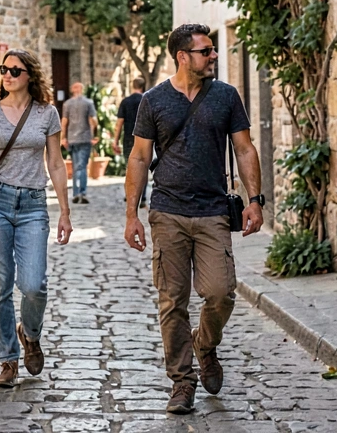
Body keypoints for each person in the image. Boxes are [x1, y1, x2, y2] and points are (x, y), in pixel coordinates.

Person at [123, 23, 265, 415]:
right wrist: (131, 214)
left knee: (221, 292)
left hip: (213, 210)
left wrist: (255, 199)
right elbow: (138, 156)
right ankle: (182, 382)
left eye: (213, 50)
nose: (214, 56)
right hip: (167, 211)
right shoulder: (153, 100)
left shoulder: (226, 96)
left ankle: (205, 344)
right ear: (182, 56)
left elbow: (244, 148)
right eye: (206, 51)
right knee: (173, 302)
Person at [0, 49, 73, 387]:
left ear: (30, 75)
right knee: (0, 288)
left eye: (15, 70)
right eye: (4, 69)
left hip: (33, 205)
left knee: (34, 285)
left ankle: (29, 333)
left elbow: (56, 163)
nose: (8, 75)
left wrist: (65, 212)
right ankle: (8, 360)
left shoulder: (47, 114)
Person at [59, 82, 98, 204]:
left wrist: (63, 138)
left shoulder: (67, 104)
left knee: (76, 166)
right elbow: (93, 121)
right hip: (85, 138)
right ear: (82, 89)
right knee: (82, 166)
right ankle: (82, 192)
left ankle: (76, 193)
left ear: (72, 90)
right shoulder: (88, 103)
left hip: (72, 139)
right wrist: (95, 135)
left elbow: (64, 121)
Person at [113, 76, 147, 207]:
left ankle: (131, 196)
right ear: (143, 86)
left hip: (128, 138)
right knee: (143, 168)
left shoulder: (125, 102)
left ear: (133, 85)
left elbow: (119, 123)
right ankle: (142, 197)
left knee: (130, 169)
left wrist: (115, 141)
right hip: (144, 139)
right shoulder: (147, 100)